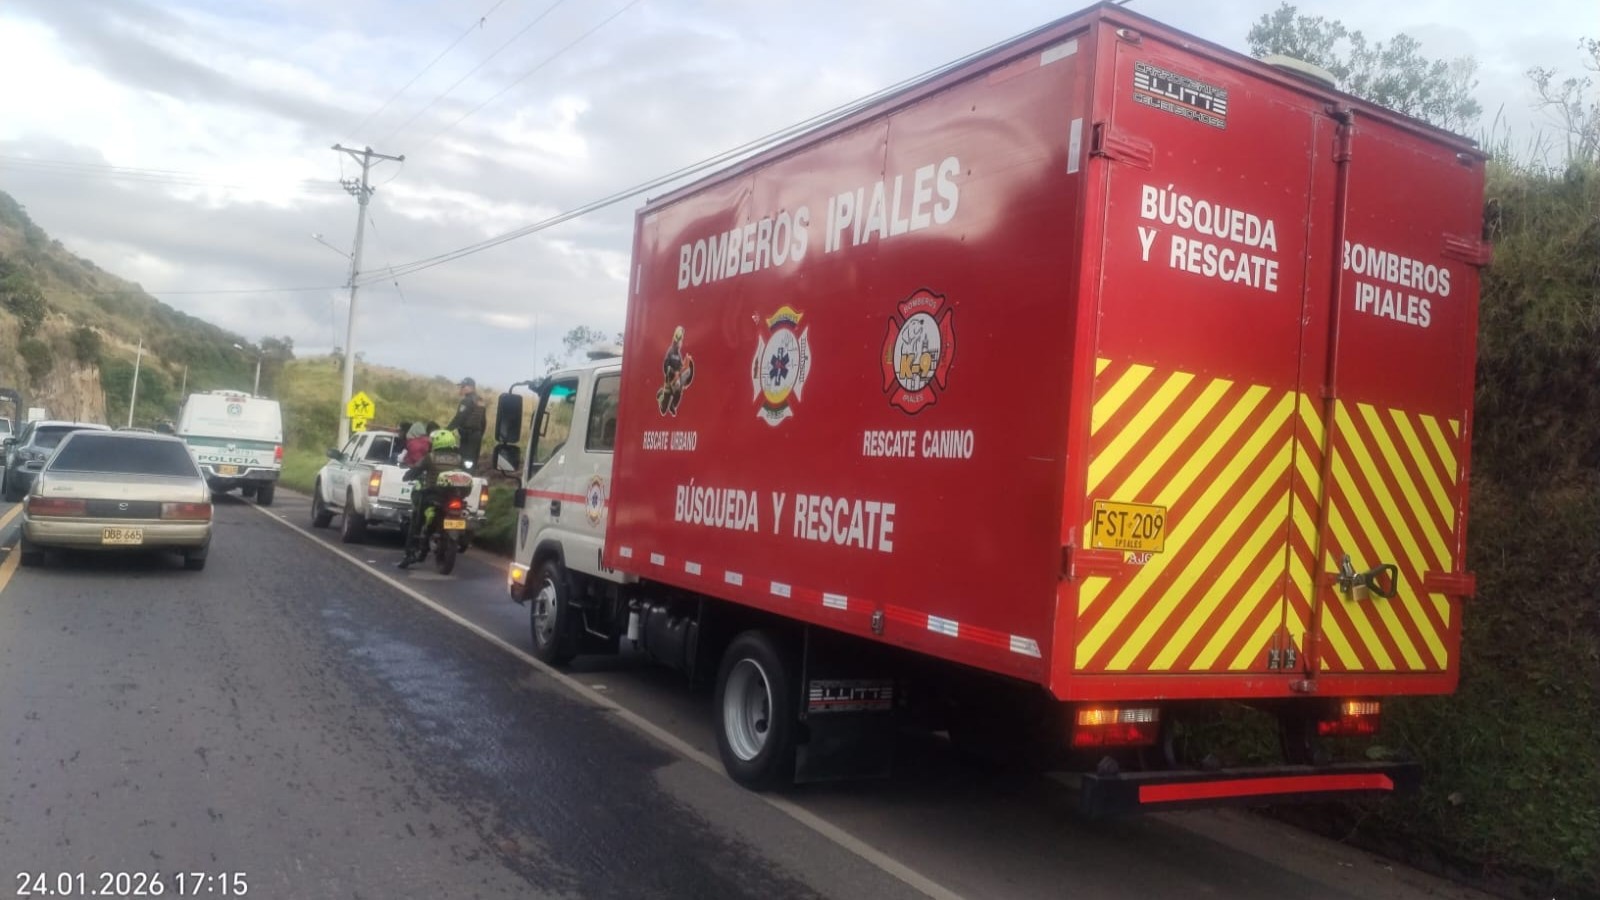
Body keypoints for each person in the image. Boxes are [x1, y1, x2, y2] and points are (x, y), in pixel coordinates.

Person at [397, 428, 465, 569]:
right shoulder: (459, 459)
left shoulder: (430, 457)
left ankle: (409, 553)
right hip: (454, 496)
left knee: (416, 519)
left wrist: (407, 476)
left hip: (433, 495)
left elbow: (416, 469)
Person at [448, 377, 487, 470]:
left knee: (464, 461)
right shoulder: (480, 401)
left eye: (463, 386)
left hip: (467, 436)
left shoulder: (466, 401)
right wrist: (480, 435)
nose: (461, 389)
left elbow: (459, 418)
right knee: (472, 462)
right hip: (477, 435)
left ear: (471, 387)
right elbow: (483, 421)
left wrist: (447, 430)